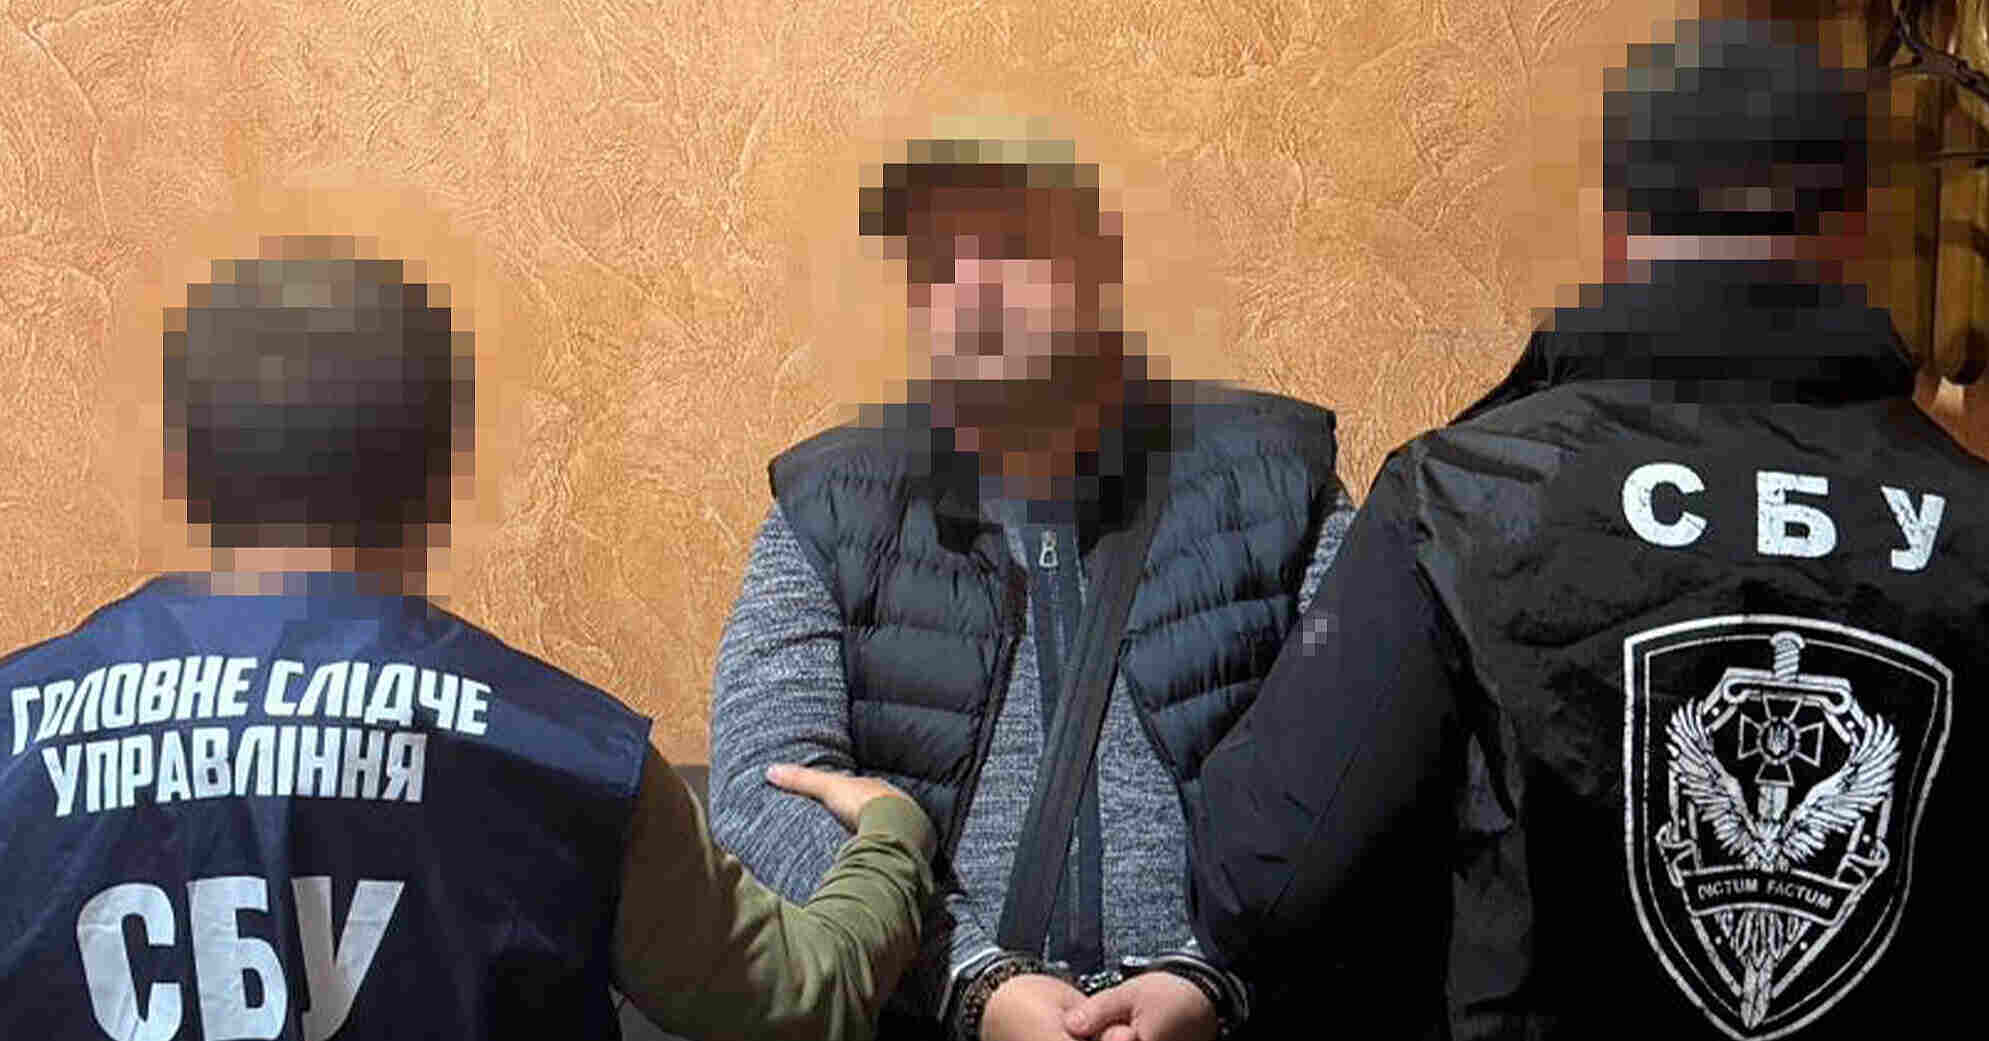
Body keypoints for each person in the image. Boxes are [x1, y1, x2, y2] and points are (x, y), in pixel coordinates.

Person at [1175, 17, 1982, 1039]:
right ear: (1852, 232)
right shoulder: (1972, 520)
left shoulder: (1462, 497)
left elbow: (1262, 887)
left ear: (1616, 225)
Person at [0, 236, 937, 1041]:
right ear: (429, 472)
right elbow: (802, 993)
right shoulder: (568, 759)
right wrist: (894, 835)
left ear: (186, 465)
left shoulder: (14, 734)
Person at [707, 128, 1356, 1041]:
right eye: (940, 266)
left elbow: (1357, 756)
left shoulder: (1275, 482)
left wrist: (1211, 975)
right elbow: (765, 788)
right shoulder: (832, 507)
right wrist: (973, 982)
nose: (977, 292)